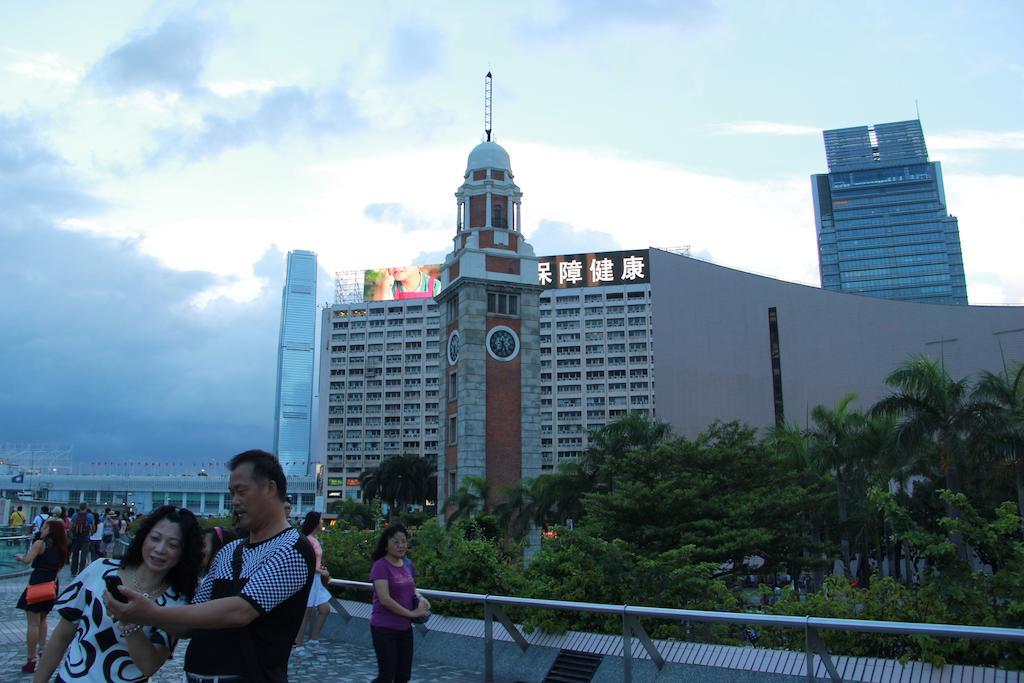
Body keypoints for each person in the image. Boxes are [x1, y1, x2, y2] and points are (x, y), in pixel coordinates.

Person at [105, 450, 315, 683]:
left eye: (241, 491)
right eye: (232, 493)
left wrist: (152, 613)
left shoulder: (292, 548)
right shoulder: (229, 551)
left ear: (270, 488)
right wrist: (138, 614)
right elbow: (190, 621)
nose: (234, 501)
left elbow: (241, 611)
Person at [33, 505, 203, 683]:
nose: (160, 549)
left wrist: (129, 622)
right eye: (155, 538)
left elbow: (149, 666)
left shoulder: (177, 602)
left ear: (185, 552)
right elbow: (61, 636)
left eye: (173, 545)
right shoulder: (101, 569)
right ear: (143, 537)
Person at [369, 524, 430, 683]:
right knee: (387, 675)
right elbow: (385, 599)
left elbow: (412, 588)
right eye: (396, 542)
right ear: (386, 544)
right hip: (384, 628)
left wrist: (421, 598)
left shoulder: (407, 564)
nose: (401, 545)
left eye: (404, 541)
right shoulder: (380, 566)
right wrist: (412, 614)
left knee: (403, 676)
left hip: (405, 629)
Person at [15, 519, 68, 674]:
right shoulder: (62, 547)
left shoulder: (40, 544)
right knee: (43, 619)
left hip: (37, 584)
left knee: (32, 623)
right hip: (52, 586)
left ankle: (31, 660)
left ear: (51, 530)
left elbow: (27, 560)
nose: (42, 529)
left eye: (45, 527)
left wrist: (20, 558)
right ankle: (42, 651)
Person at [293, 512, 331, 654]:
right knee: (306, 613)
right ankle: (299, 645)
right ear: (315, 522)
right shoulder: (307, 540)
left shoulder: (314, 539)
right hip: (309, 579)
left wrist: (321, 569)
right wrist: (321, 572)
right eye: (321, 520)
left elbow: (315, 561)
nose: (322, 523)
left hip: (316, 580)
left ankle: (313, 640)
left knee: (324, 609)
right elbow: (306, 561)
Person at [68, 502, 96, 575]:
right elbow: (93, 527)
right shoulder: (90, 516)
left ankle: (73, 571)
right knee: (84, 555)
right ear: (86, 507)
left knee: (75, 554)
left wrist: (70, 534)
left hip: (76, 537)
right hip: (85, 537)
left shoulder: (75, 515)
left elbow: (70, 526)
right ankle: (81, 571)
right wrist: (92, 533)